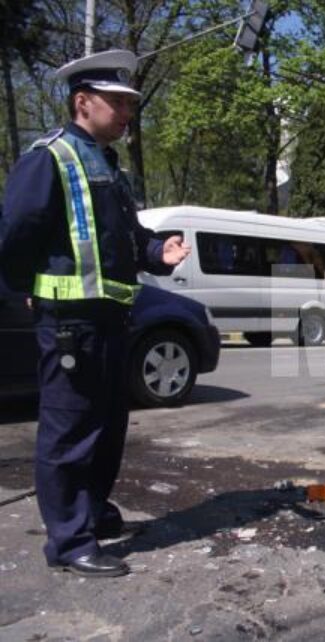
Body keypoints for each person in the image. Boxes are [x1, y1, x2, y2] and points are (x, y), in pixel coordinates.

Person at [0, 50, 190, 578]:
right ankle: (68, 541)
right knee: (68, 431)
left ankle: (90, 514)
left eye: (131, 104)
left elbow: (125, 239)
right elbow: (14, 232)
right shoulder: (50, 157)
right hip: (68, 322)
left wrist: (158, 254)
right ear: (83, 103)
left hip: (109, 320)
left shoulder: (106, 164)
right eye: (118, 103)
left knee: (107, 427)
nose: (128, 113)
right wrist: (23, 289)